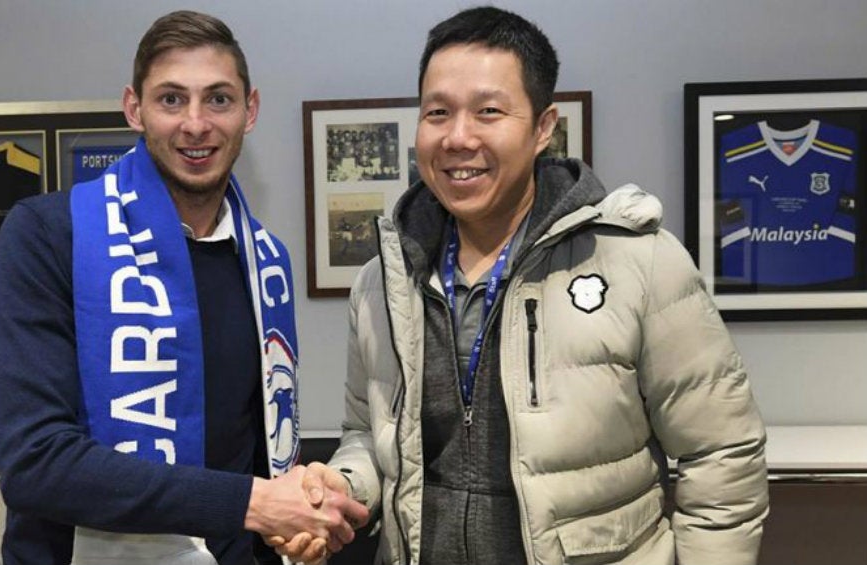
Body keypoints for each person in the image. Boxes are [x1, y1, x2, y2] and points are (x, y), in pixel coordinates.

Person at [275, 6, 769, 565]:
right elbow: (368, 433)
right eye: (437, 112)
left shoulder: (640, 262)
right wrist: (342, 487)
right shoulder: (381, 282)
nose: (458, 137)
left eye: (488, 111)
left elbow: (722, 457)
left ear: (542, 128)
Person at [0, 10, 365, 565]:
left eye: (218, 99)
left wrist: (294, 518)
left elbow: (255, 454)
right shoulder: (50, 234)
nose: (195, 123)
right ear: (134, 109)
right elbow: (35, 464)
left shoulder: (265, 260)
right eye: (170, 99)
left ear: (249, 110)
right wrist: (255, 504)